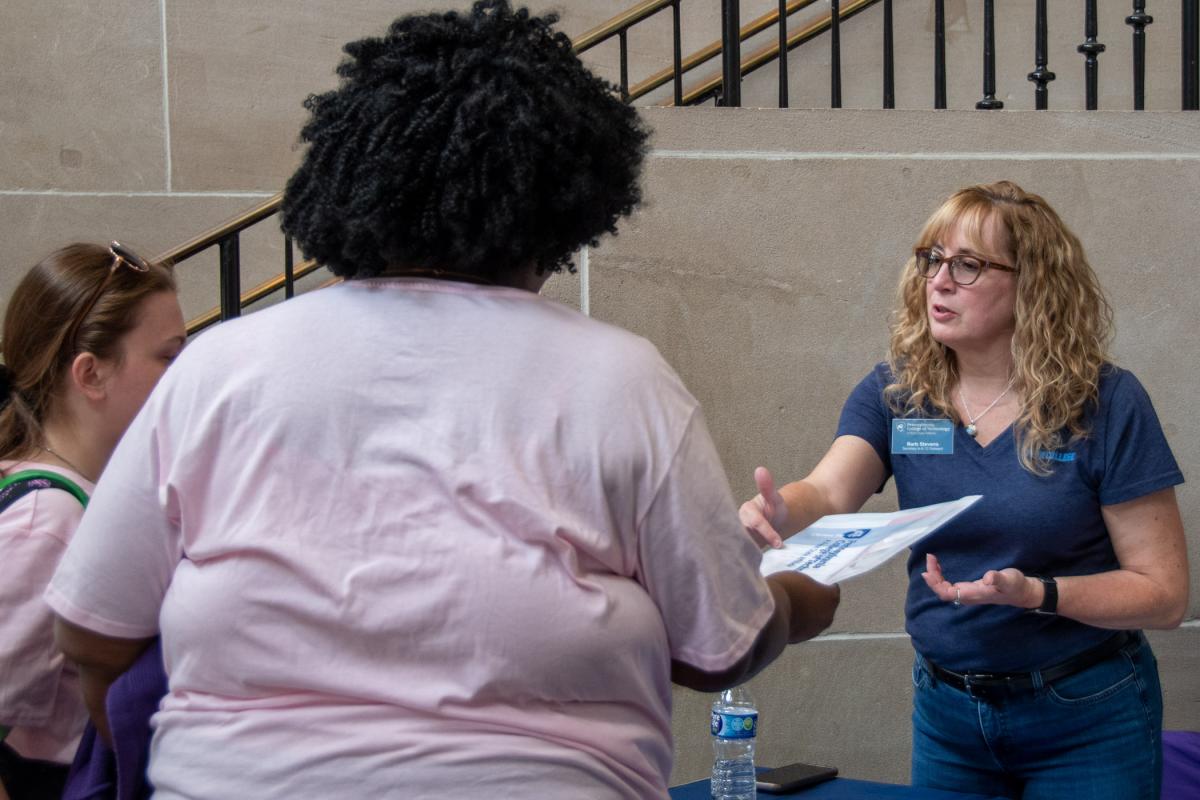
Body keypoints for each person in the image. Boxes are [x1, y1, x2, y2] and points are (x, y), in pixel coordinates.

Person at [44, 3, 841, 798]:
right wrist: (802, 600)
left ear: (351, 171)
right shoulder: (619, 381)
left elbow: (92, 628)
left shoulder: (220, 365)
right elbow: (719, 649)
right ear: (564, 197)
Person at [740, 180, 1188, 799]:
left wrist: (1038, 594)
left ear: (1032, 285)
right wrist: (783, 509)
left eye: (968, 265)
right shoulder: (898, 392)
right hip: (949, 711)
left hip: (1086, 710)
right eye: (933, 259)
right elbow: (828, 488)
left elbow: (1163, 596)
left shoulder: (1106, 402)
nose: (939, 281)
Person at [0, 242, 184, 800]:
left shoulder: (75, 493)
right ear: (91, 374)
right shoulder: (49, 517)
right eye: (169, 356)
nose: (185, 375)